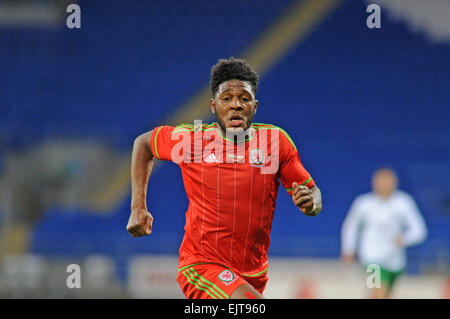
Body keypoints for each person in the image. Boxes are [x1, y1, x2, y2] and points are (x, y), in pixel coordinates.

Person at [126, 57, 322, 299]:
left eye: (244, 98)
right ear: (213, 105)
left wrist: (311, 204)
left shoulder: (275, 142)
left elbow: (312, 193)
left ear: (255, 106)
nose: (236, 105)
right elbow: (143, 144)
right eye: (226, 98)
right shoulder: (192, 141)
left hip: (252, 272)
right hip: (201, 265)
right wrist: (138, 207)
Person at [341, 168, 427, 299]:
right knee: (377, 292)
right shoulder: (363, 203)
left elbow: (419, 230)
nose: (383, 185)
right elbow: (350, 226)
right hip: (371, 259)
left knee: (385, 294)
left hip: (395, 261)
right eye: (380, 181)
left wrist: (404, 239)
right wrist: (348, 248)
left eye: (387, 181)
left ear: (395, 183)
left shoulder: (403, 202)